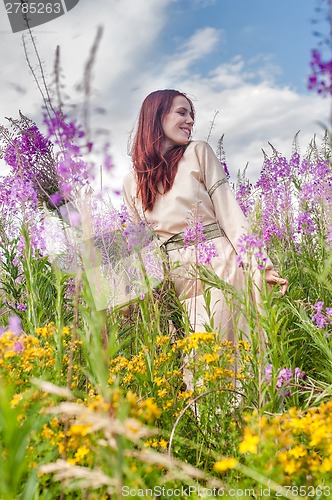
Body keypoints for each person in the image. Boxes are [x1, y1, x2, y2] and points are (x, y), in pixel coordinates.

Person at [122, 89, 288, 341]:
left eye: (191, 115)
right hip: (174, 277)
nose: (190, 121)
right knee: (192, 368)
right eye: (181, 112)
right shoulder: (131, 181)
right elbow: (140, 247)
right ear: (156, 116)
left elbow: (230, 213)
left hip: (219, 264)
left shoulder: (198, 152)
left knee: (221, 355)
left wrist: (261, 265)